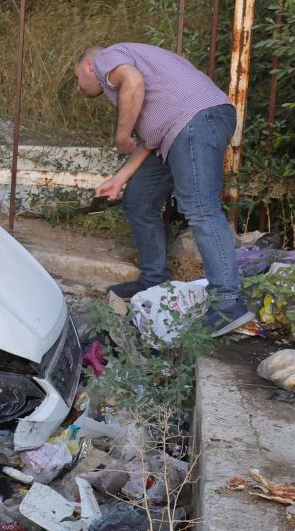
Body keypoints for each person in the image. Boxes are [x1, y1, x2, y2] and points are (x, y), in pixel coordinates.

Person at [74, 43, 251, 336]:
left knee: (201, 209)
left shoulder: (106, 58)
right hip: (178, 130)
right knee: (139, 200)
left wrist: (120, 136)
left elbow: (133, 81)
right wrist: (120, 179)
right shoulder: (151, 88)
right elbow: (150, 141)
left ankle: (228, 303)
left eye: (76, 78)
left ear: (88, 66)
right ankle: (153, 280)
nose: (79, 88)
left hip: (196, 121)